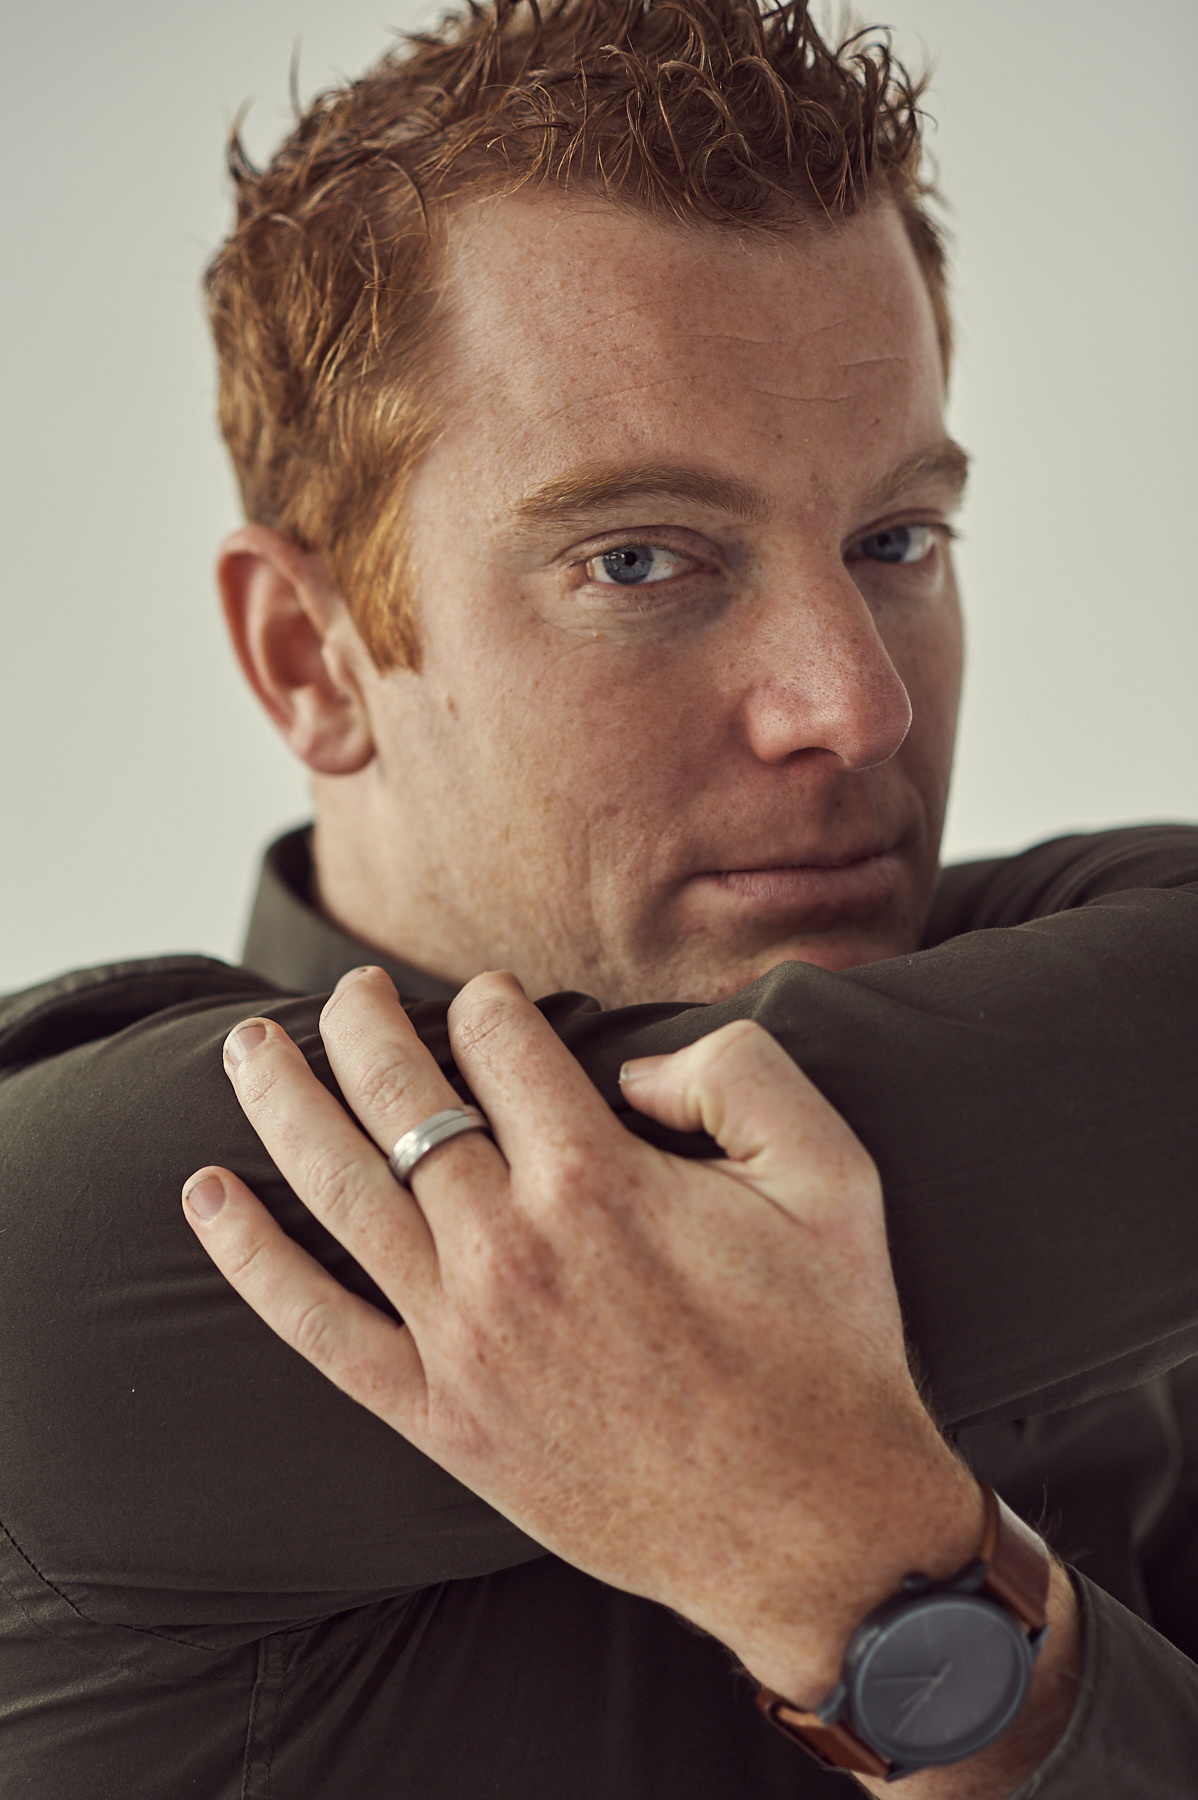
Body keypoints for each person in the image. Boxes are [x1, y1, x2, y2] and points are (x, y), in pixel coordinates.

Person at [0, 0, 1194, 1795]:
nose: (853, 705)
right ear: (309, 658)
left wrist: (940, 1645)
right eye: (640, 559)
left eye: (897, 542)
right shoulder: (116, 1249)